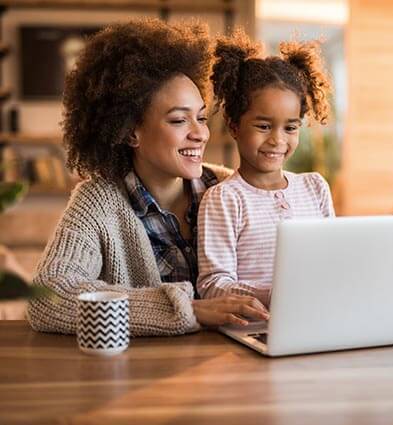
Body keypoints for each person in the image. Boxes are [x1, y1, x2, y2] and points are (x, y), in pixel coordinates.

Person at [27, 19, 269, 336]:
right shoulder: (96, 204)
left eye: (200, 117)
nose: (200, 134)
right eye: (179, 120)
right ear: (131, 132)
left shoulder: (231, 189)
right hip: (148, 376)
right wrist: (187, 309)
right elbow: (48, 297)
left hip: (239, 366)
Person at [196, 30, 335, 306]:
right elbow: (212, 285)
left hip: (317, 316)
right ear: (234, 126)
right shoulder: (224, 199)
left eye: (290, 127)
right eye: (263, 126)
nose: (277, 140)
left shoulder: (315, 187)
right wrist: (275, 296)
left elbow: (332, 261)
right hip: (253, 327)